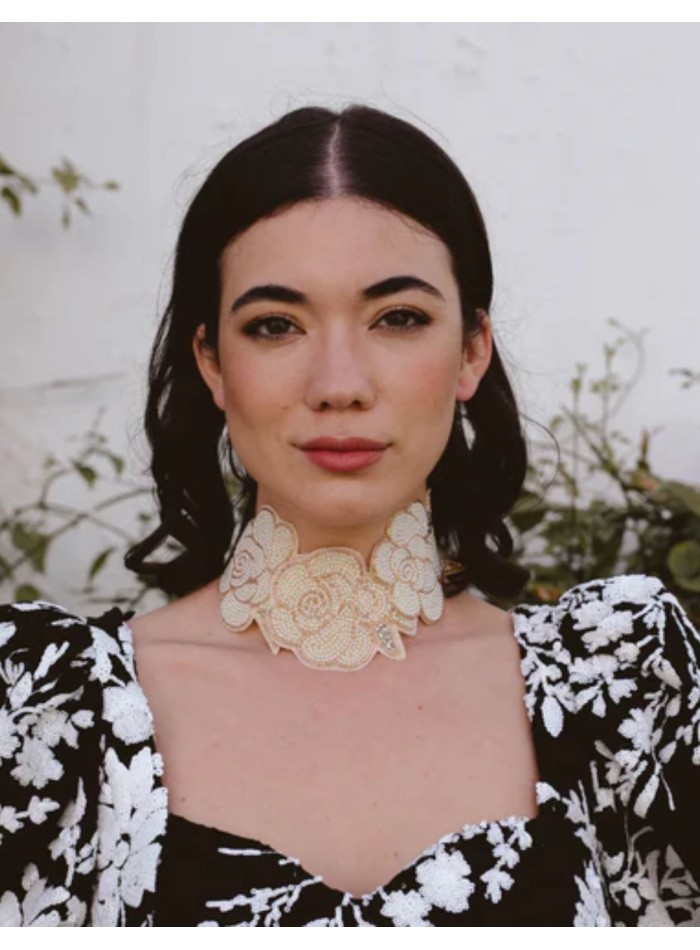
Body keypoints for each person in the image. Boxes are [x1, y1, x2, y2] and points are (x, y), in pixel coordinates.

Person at [1, 104, 699, 928]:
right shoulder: (41, 709)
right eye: (276, 325)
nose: (339, 384)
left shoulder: (623, 690)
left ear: (472, 349)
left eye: (398, 318)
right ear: (212, 363)